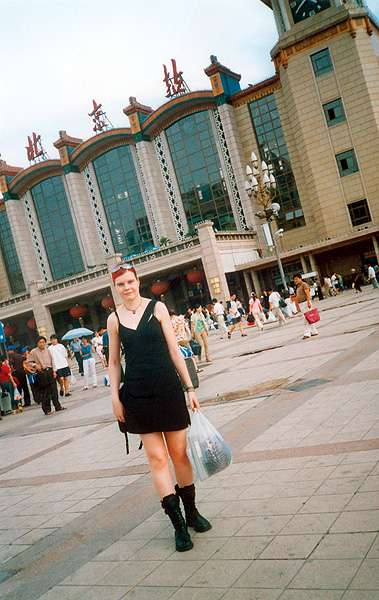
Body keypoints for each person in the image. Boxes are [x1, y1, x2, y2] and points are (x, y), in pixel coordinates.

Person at [107, 262, 211, 553]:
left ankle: (192, 512)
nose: (126, 287)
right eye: (120, 284)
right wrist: (115, 398)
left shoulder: (157, 308)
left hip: (168, 388)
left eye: (130, 281)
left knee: (179, 454)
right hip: (137, 395)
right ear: (115, 289)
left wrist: (189, 387)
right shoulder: (113, 320)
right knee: (156, 459)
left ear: (137, 280)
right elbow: (114, 363)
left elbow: (174, 350)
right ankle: (178, 525)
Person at [29, 337, 65, 415]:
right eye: (40, 342)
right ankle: (47, 409)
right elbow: (29, 362)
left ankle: (57, 406)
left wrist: (54, 371)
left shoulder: (48, 350)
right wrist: (35, 365)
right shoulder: (33, 352)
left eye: (43, 342)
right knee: (46, 392)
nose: (42, 344)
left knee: (54, 390)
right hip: (41, 373)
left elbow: (53, 361)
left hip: (50, 371)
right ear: (37, 343)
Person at [293, 273, 318, 339]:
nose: (295, 281)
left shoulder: (304, 284)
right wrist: (297, 306)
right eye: (294, 280)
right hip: (301, 304)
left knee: (305, 319)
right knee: (309, 318)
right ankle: (314, 331)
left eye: (296, 279)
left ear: (300, 278)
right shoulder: (297, 286)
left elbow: (308, 294)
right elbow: (297, 297)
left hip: (305, 303)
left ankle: (307, 333)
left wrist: (309, 302)